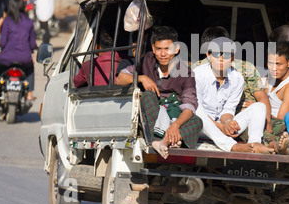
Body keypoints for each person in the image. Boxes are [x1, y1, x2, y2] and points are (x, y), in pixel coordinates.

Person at [117, 26, 202, 159]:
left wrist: (175, 125)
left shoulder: (187, 73)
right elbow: (120, 78)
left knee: (197, 121)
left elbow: (189, 106)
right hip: (153, 115)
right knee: (148, 95)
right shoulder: (147, 60)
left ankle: (164, 141)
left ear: (176, 49)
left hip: (174, 114)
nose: (163, 54)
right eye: (159, 49)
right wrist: (141, 77)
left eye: (167, 49)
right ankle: (165, 139)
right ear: (153, 48)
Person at [193, 37, 274, 154]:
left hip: (222, 128)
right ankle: (232, 146)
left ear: (232, 58)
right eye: (216, 54)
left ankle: (254, 144)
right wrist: (221, 127)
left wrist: (228, 123)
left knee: (260, 106)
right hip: (201, 127)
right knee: (196, 109)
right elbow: (197, 110)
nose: (221, 58)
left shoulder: (237, 78)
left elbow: (228, 110)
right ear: (208, 56)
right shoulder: (198, 74)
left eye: (225, 55)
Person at [262, 41, 289, 153]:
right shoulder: (268, 77)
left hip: (276, 127)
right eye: (270, 63)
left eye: (278, 64)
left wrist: (264, 115)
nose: (274, 68)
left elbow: (281, 121)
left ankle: (279, 145)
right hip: (263, 121)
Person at [0, 0, 36, 101]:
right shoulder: (29, 22)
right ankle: (29, 94)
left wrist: (3, 50)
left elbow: (3, 42)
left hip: (7, 58)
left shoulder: (7, 22)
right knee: (30, 69)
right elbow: (32, 44)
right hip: (24, 59)